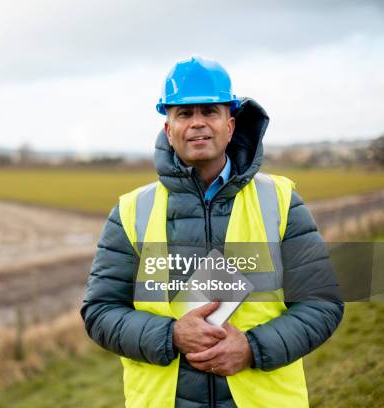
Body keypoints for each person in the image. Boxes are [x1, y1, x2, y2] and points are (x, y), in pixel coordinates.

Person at [80, 56, 344, 408]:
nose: (197, 124)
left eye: (210, 111)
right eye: (184, 114)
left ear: (230, 125)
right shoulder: (130, 211)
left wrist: (252, 348)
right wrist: (171, 335)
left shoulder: (280, 202)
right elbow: (100, 311)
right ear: (168, 128)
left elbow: (321, 304)